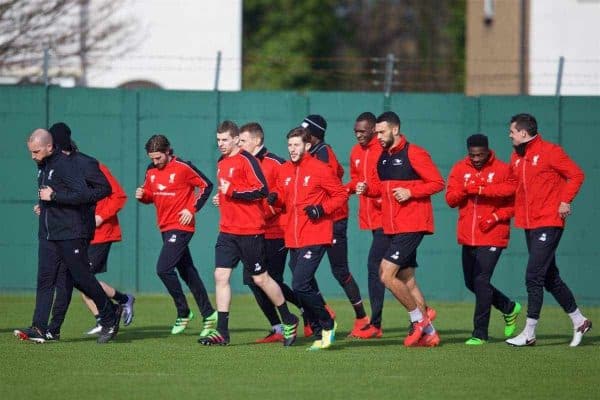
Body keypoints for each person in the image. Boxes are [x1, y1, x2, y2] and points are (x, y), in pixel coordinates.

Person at [14, 129, 121, 344]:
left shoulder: (66, 164)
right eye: (31, 152)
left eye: (36, 151)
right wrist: (44, 206)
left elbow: (81, 194)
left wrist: (54, 196)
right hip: (48, 234)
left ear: (49, 147)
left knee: (82, 278)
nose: (32, 156)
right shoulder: (42, 166)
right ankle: (39, 327)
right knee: (45, 280)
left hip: (70, 233)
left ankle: (110, 315)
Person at [494, 113, 592, 347]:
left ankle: (529, 333)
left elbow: (577, 175)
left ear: (524, 133)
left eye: (512, 131)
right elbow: (512, 187)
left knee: (533, 276)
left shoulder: (550, 151)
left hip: (549, 221)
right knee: (549, 277)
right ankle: (580, 321)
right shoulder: (515, 158)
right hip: (529, 224)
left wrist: (565, 200)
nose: (509, 135)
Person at [199, 121, 299, 346]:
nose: (221, 144)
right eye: (218, 140)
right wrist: (222, 197)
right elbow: (228, 190)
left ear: (235, 139)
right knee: (220, 276)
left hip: (250, 231)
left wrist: (232, 192)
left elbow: (261, 190)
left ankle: (289, 319)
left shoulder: (248, 160)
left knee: (260, 278)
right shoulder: (221, 162)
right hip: (227, 231)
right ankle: (222, 332)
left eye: (225, 140)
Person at [356, 111, 444, 347]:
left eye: (382, 132)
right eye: (376, 133)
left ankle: (418, 319)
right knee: (407, 279)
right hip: (392, 226)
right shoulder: (383, 157)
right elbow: (382, 189)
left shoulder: (414, 153)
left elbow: (437, 183)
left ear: (395, 130)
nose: (378, 136)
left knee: (385, 274)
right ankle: (430, 333)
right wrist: (368, 189)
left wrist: (411, 192)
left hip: (412, 224)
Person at [44, 123, 135, 337]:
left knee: (81, 277)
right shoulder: (55, 169)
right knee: (72, 278)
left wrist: (100, 217)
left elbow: (118, 195)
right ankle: (106, 314)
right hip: (76, 232)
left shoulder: (89, 164)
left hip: (101, 232)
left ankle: (116, 307)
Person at [268, 127, 348, 350]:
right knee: (302, 285)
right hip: (293, 238)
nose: (292, 149)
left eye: (296, 145)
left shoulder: (320, 169)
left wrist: (321, 209)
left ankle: (327, 323)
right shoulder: (284, 170)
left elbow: (340, 195)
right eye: (290, 145)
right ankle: (317, 328)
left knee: (300, 284)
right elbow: (284, 199)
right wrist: (275, 198)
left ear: (307, 146)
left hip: (316, 234)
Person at [136, 134, 217, 339]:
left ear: (168, 151)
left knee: (163, 269)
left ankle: (183, 311)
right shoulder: (151, 170)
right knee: (187, 271)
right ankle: (209, 314)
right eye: (152, 158)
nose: (155, 162)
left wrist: (192, 209)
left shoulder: (183, 167)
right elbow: (150, 195)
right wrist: (143, 196)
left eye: (158, 158)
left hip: (181, 226)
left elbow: (207, 185)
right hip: (164, 227)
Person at [445, 133, 521, 345]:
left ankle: (480, 333)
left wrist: (495, 214)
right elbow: (450, 199)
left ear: (488, 151)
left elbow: (513, 198)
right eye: (472, 155)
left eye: (480, 155)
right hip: (468, 236)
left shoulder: (503, 169)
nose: (476, 159)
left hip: (493, 235)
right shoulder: (460, 169)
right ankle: (508, 307)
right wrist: (465, 190)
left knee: (481, 280)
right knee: (472, 283)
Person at [300, 114, 370, 337]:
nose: (302, 134)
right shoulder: (311, 153)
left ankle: (362, 319)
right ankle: (322, 311)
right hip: (316, 219)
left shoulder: (323, 154)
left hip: (334, 218)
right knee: (299, 268)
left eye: (305, 131)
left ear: (314, 134)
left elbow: (330, 184)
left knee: (339, 271)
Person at [238, 122, 301, 343]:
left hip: (276, 232)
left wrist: (270, 209)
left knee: (272, 280)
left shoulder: (276, 163)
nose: (239, 144)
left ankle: (310, 310)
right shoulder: (241, 163)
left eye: (242, 140)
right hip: (252, 232)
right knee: (252, 280)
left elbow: (287, 195)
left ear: (256, 140)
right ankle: (277, 327)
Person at [346, 112, 388, 339]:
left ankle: (376, 324)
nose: (359, 135)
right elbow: (355, 180)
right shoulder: (355, 152)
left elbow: (386, 181)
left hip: (386, 217)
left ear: (373, 129)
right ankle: (422, 314)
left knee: (376, 267)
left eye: (363, 131)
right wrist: (345, 190)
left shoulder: (382, 148)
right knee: (398, 273)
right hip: (371, 217)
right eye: (356, 131)